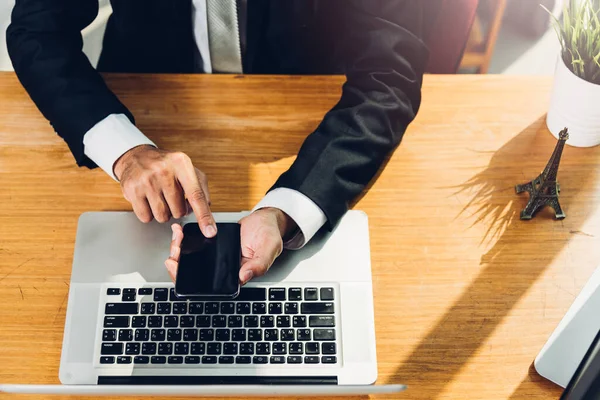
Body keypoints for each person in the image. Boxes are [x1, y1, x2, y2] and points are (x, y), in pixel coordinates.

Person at [6, 0, 429, 283]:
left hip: (307, 114)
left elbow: (389, 75)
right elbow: (37, 31)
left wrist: (287, 209)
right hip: (143, 92)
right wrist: (125, 151)